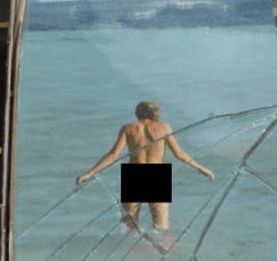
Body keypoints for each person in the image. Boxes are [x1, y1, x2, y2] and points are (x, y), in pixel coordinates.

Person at [76, 100, 215, 250]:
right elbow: (179, 153)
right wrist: (201, 168)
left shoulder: (128, 128)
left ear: (137, 113)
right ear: (155, 113)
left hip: (134, 175)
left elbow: (113, 154)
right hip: (157, 175)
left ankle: (132, 253)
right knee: (161, 227)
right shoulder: (164, 127)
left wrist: (89, 173)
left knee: (130, 225)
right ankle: (163, 253)